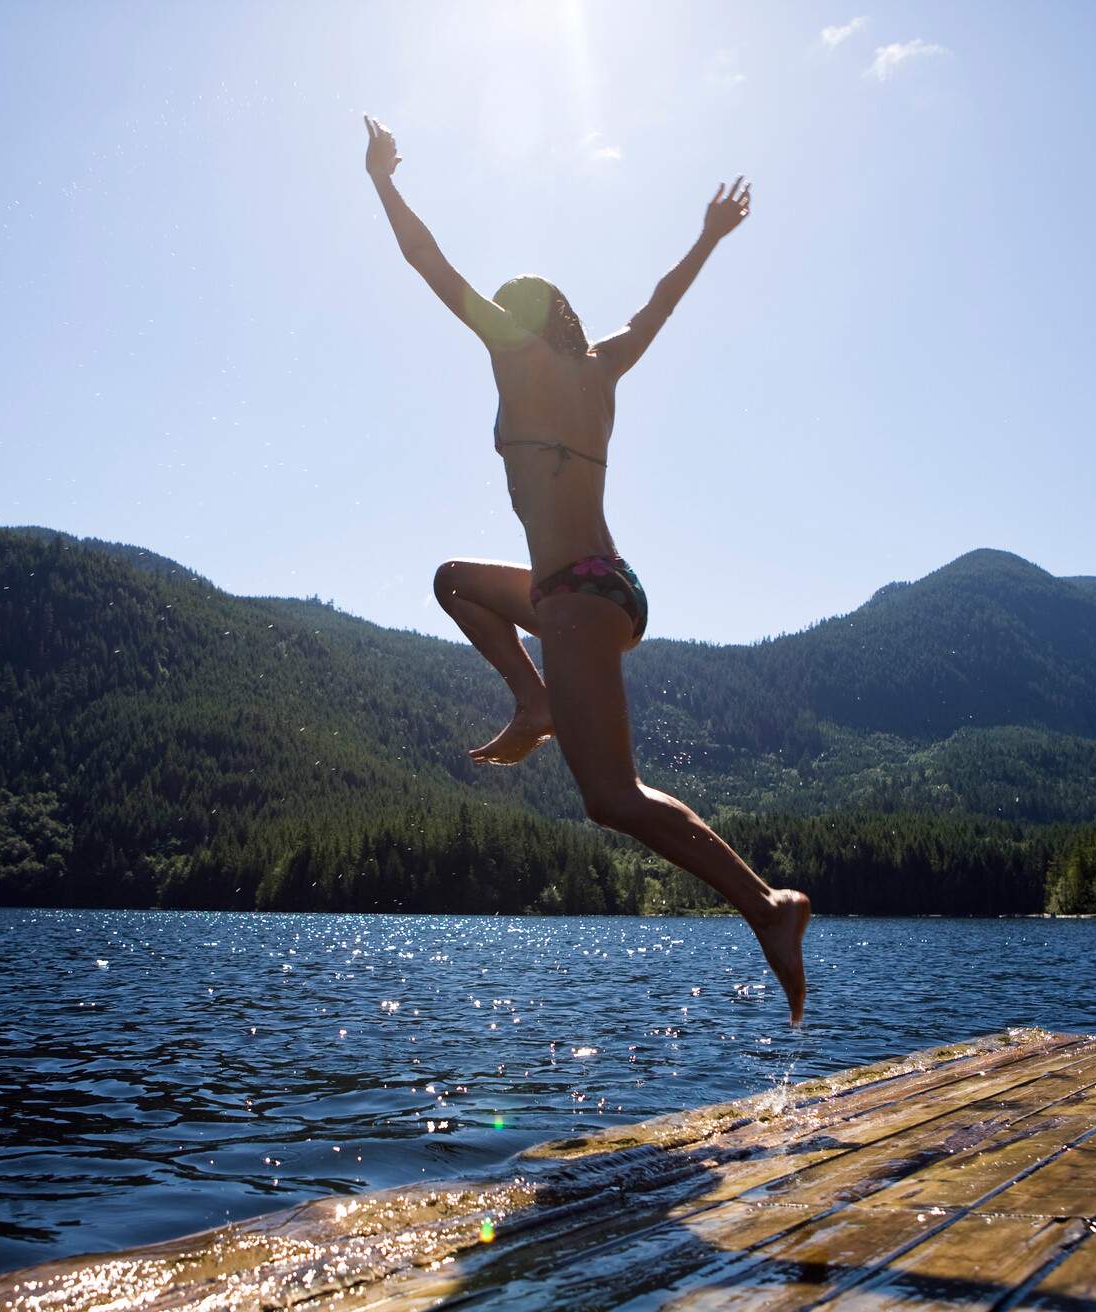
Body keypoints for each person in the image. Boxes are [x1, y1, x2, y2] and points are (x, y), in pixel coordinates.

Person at [363, 115, 811, 1023]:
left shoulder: (510, 349)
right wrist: (708, 237)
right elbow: (657, 306)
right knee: (454, 578)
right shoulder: (602, 365)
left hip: (574, 598)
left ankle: (768, 904)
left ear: (519, 317)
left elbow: (427, 260)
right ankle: (534, 703)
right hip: (600, 586)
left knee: (612, 798)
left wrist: (382, 179)